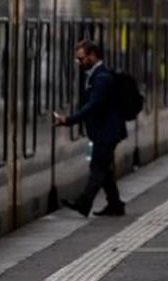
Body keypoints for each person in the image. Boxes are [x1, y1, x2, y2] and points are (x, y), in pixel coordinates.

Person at [53, 39, 127, 217]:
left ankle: (84, 203)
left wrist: (68, 120)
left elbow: (92, 106)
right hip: (106, 132)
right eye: (77, 60)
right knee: (104, 169)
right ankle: (115, 204)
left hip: (107, 133)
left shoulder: (101, 79)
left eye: (82, 59)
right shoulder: (97, 76)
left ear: (93, 55)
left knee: (97, 168)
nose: (79, 63)